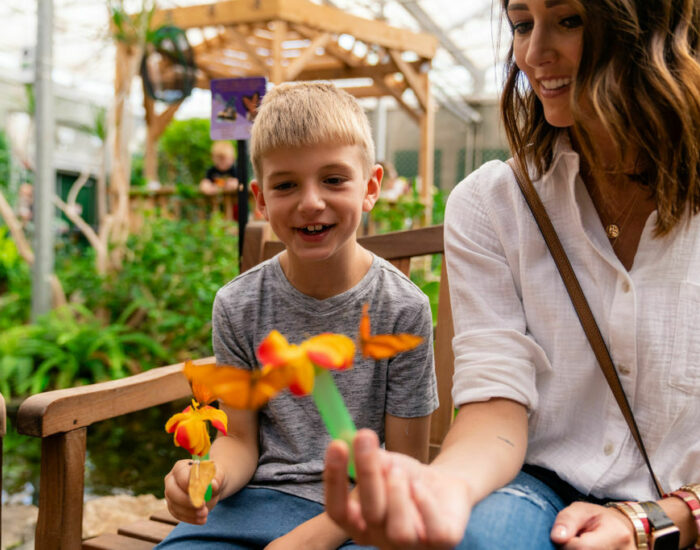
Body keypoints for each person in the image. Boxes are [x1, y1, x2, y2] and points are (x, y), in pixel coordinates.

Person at [324, 1, 700, 549]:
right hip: (541, 489)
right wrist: (446, 487)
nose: (531, 53)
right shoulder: (493, 203)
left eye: (568, 20)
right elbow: (495, 406)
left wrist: (657, 521)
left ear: (651, 28)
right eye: (522, 24)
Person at [157, 82, 439, 550]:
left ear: (370, 187)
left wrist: (316, 536)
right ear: (261, 199)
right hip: (255, 502)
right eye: (286, 184)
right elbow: (241, 441)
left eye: (333, 179)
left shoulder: (403, 309)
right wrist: (210, 475)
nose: (311, 202)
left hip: (364, 512)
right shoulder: (239, 304)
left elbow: (408, 468)